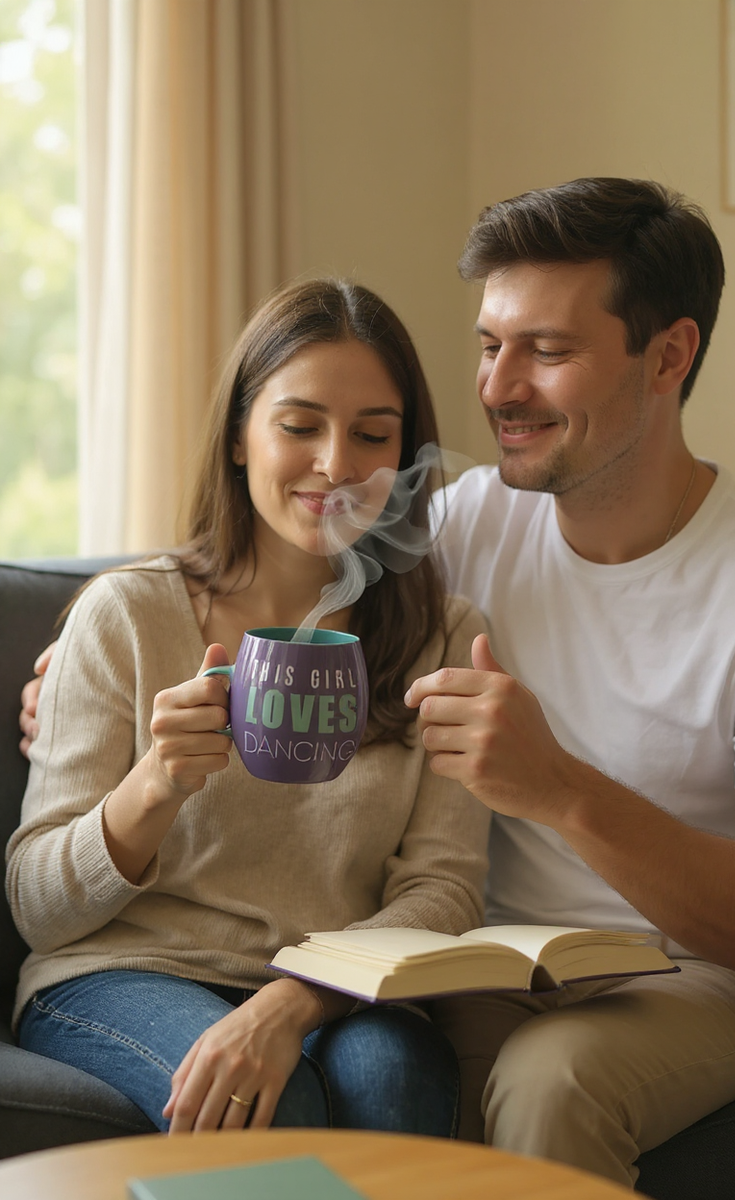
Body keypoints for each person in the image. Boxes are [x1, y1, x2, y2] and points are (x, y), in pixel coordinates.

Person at [6, 278, 490, 1137]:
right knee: (269, 1100)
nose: (337, 464)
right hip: (125, 971)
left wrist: (295, 1000)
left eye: (372, 434)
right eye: (300, 426)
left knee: (398, 1079)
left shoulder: (445, 636)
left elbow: (443, 891)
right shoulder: (127, 612)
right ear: (238, 437)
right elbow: (39, 908)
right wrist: (156, 782)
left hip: (337, 987)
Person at [402, 178, 735, 1187]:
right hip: (485, 962)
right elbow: (268, 590)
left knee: (552, 1081)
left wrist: (560, 790)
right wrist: (99, 659)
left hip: (699, 973)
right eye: (490, 345)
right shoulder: (466, 522)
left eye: (546, 350)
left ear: (667, 356)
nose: (498, 388)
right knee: (371, 1064)